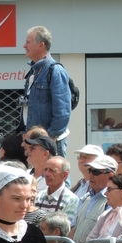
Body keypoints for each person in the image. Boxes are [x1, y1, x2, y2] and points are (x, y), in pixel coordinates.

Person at [21, 26, 72, 157]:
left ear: (41, 45)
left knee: (55, 175)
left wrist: (49, 138)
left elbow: (63, 111)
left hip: (48, 142)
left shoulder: (55, 70)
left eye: (28, 42)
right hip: (35, 141)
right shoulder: (34, 71)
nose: (24, 46)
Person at [70, 155, 117, 243]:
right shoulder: (85, 198)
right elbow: (73, 228)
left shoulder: (113, 201)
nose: (90, 175)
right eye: (90, 170)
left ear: (110, 176)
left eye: (95, 172)